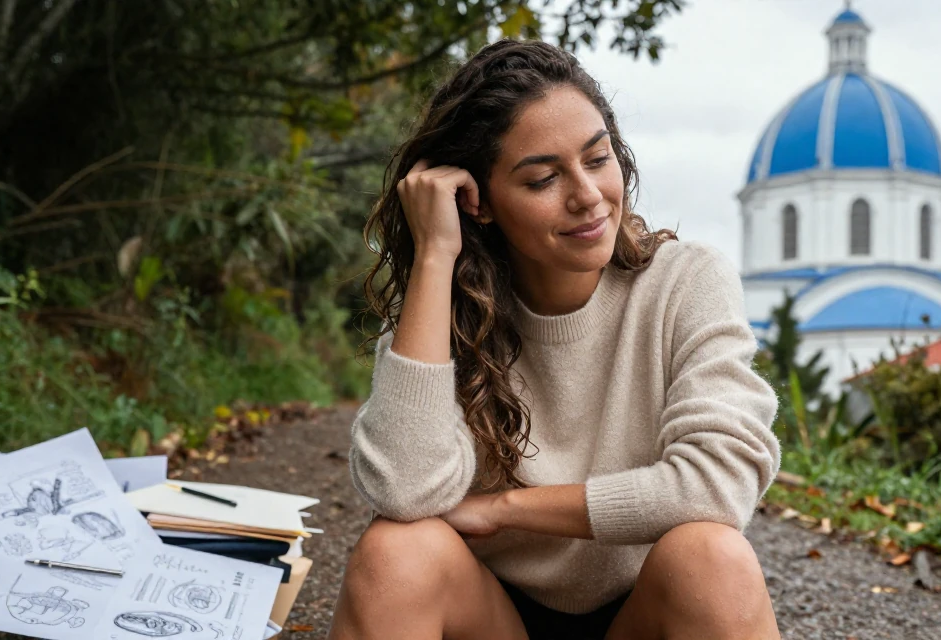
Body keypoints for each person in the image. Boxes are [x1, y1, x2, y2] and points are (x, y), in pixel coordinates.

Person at [327, 38, 782, 640]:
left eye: (597, 159)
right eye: (543, 178)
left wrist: (504, 508)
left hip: (642, 615)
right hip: (493, 618)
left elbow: (717, 484)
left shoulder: (686, 281)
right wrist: (437, 254)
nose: (588, 196)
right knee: (394, 552)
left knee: (714, 559)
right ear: (479, 204)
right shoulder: (442, 309)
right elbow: (405, 491)